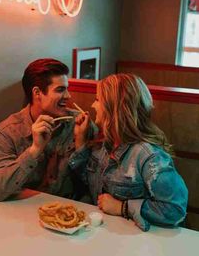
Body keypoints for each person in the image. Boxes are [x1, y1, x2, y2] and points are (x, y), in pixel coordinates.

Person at [69, 73, 188, 231]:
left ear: (114, 108)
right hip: (103, 235)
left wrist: (122, 207)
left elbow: (175, 210)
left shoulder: (148, 156)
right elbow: (87, 181)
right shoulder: (104, 144)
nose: (92, 105)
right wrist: (80, 140)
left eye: (97, 99)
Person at [0, 58, 94, 201]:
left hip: (72, 211)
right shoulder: (7, 132)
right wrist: (35, 149)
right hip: (25, 211)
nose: (68, 96)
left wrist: (81, 144)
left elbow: (95, 183)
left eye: (67, 88)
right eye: (60, 89)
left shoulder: (81, 123)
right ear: (37, 93)